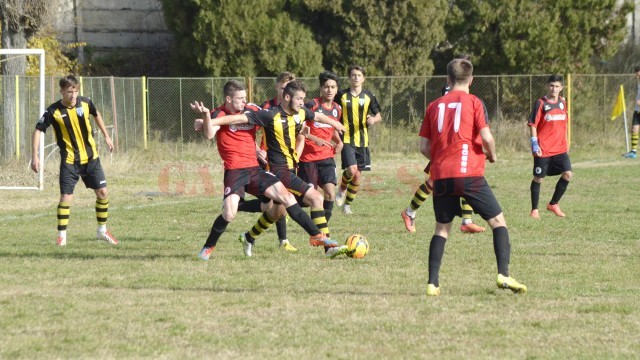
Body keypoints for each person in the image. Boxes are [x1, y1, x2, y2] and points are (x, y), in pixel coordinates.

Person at [190, 80, 340, 259]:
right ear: (229, 99)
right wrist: (208, 117)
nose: (244, 101)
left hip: (255, 169)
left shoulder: (253, 109)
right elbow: (209, 133)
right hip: (235, 171)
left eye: (245, 97)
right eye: (240, 98)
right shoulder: (219, 112)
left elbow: (272, 121)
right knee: (229, 213)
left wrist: (257, 149)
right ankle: (208, 247)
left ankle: (316, 236)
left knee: (284, 199)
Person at [420, 58, 526, 296]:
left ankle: (432, 283)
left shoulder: (434, 105)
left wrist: (439, 158)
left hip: (442, 176)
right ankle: (503, 275)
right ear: (471, 80)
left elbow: (424, 146)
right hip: (469, 173)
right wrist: (492, 155)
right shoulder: (474, 102)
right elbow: (487, 137)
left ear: (447, 80)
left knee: (441, 229)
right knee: (498, 222)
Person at [30, 75, 118, 246]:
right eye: (69, 92)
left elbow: (96, 113)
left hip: (91, 158)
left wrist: (107, 136)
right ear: (62, 91)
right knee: (66, 198)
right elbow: (38, 130)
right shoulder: (53, 111)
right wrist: (35, 155)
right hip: (70, 161)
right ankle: (61, 237)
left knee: (103, 193)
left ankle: (102, 231)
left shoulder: (85, 103)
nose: (73, 95)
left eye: (75, 91)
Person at [401, 69, 485, 234]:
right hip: (444, 150)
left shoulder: (466, 98)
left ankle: (466, 220)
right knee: (433, 182)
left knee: (465, 179)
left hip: (458, 150)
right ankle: (409, 212)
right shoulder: (445, 98)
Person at [334, 64, 382, 214]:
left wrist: (373, 120)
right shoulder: (341, 95)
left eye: (359, 75)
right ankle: (341, 190)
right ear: (349, 78)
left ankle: (347, 205)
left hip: (363, 140)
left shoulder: (369, 95)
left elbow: (378, 115)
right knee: (352, 169)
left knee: (357, 176)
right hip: (347, 138)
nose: (356, 78)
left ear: (363, 79)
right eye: (353, 75)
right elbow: (333, 111)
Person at [298, 70, 344, 226]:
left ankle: (320, 229)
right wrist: (313, 138)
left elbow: (331, 130)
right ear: (321, 88)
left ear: (337, 89)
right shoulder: (312, 105)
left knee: (330, 193)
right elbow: (299, 127)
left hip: (326, 157)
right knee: (309, 199)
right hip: (308, 159)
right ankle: (286, 202)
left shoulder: (337, 109)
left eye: (332, 87)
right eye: (326, 87)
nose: (329, 90)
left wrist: (339, 142)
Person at [259, 71, 297, 251]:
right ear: (276, 87)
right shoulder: (266, 107)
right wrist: (256, 149)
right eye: (283, 88)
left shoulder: (297, 108)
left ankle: (283, 240)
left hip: (287, 159)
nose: (287, 92)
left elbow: (302, 133)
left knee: (277, 203)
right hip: (267, 159)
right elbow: (248, 129)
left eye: (290, 88)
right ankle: (282, 240)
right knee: (273, 203)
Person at [528, 75, 573, 219]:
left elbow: (564, 124)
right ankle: (534, 209)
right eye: (551, 85)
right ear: (548, 86)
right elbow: (533, 124)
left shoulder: (563, 103)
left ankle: (553, 204)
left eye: (557, 86)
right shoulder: (541, 103)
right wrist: (535, 144)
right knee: (538, 178)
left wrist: (567, 142)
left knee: (567, 174)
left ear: (561, 88)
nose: (554, 89)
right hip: (544, 149)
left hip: (560, 148)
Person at [623, 66, 640, 158]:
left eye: (637, 72)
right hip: (637, 111)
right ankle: (633, 152)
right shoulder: (638, 82)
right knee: (634, 129)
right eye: (636, 72)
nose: (636, 74)